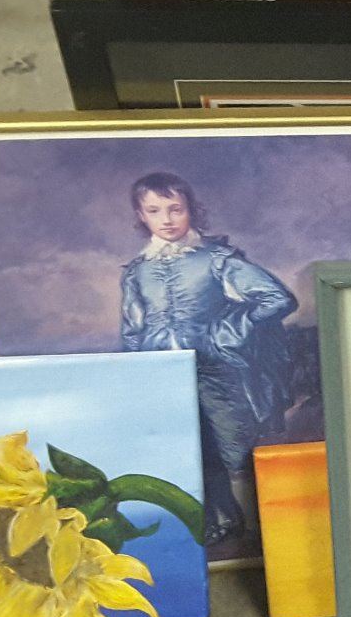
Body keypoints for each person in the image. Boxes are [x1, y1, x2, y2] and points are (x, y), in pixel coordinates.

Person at [120, 173, 298, 547]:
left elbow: (277, 298)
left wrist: (229, 329)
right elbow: (132, 328)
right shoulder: (138, 271)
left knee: (232, 444)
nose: (167, 219)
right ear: (141, 215)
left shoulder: (216, 259)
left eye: (176, 209)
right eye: (155, 211)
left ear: (191, 210)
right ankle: (221, 518)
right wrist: (138, 372)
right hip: (162, 376)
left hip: (215, 370)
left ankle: (264, 528)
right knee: (189, 448)